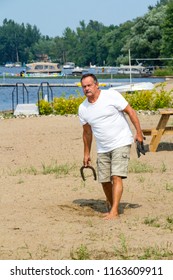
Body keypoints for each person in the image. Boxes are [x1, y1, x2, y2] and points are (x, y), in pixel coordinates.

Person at [78, 73, 144, 220]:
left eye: (89, 85)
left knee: (116, 176)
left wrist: (138, 133)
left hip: (121, 141)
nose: (87, 89)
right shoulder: (83, 108)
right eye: (84, 87)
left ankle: (114, 211)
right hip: (103, 147)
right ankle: (112, 205)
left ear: (96, 84)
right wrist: (86, 153)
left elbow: (130, 111)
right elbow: (87, 133)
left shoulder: (111, 95)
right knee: (104, 180)